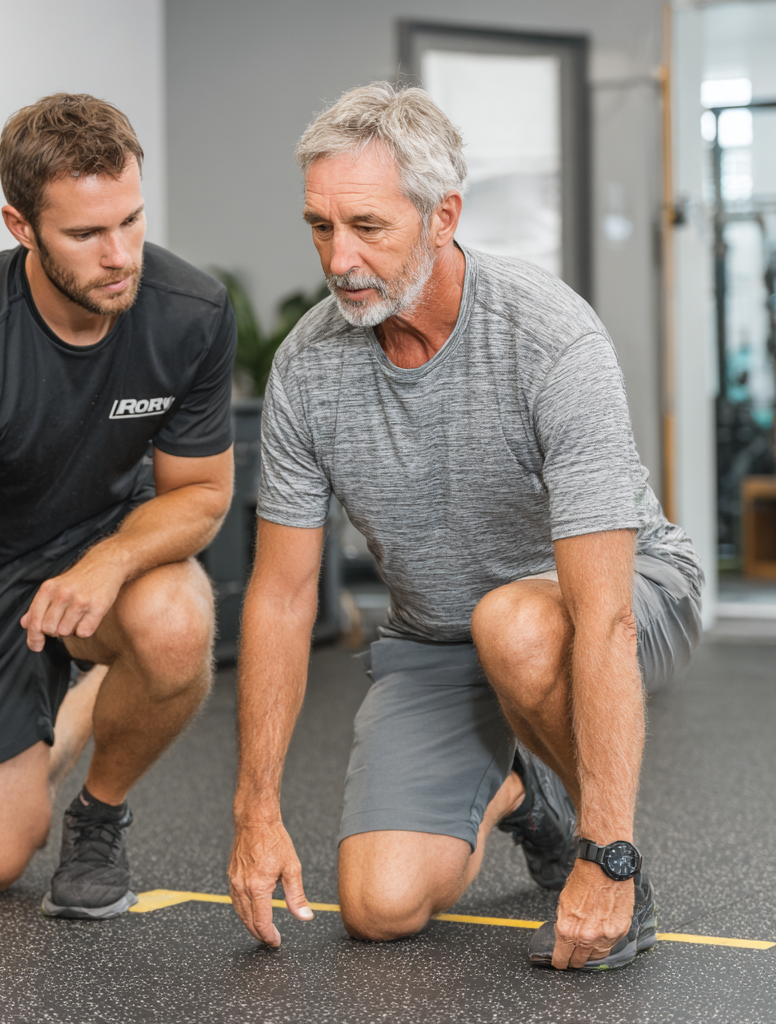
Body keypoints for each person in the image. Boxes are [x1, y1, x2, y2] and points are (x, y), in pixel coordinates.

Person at [228, 83, 701, 971]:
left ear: (443, 215)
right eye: (321, 228)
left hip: (623, 598)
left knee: (517, 626)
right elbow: (284, 596)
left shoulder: (550, 339)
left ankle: (602, 855)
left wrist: (610, 858)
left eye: (368, 227)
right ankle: (526, 795)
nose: (340, 258)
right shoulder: (307, 367)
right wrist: (256, 812)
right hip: (438, 635)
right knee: (377, 905)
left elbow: (600, 616)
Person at [0, 94, 236, 961]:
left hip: (103, 558)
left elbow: (203, 494)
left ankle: (98, 815)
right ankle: (64, 715)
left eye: (132, 220)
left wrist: (109, 561)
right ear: (21, 226)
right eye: (85, 235)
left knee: (178, 623)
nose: (120, 257)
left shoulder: (190, 313)